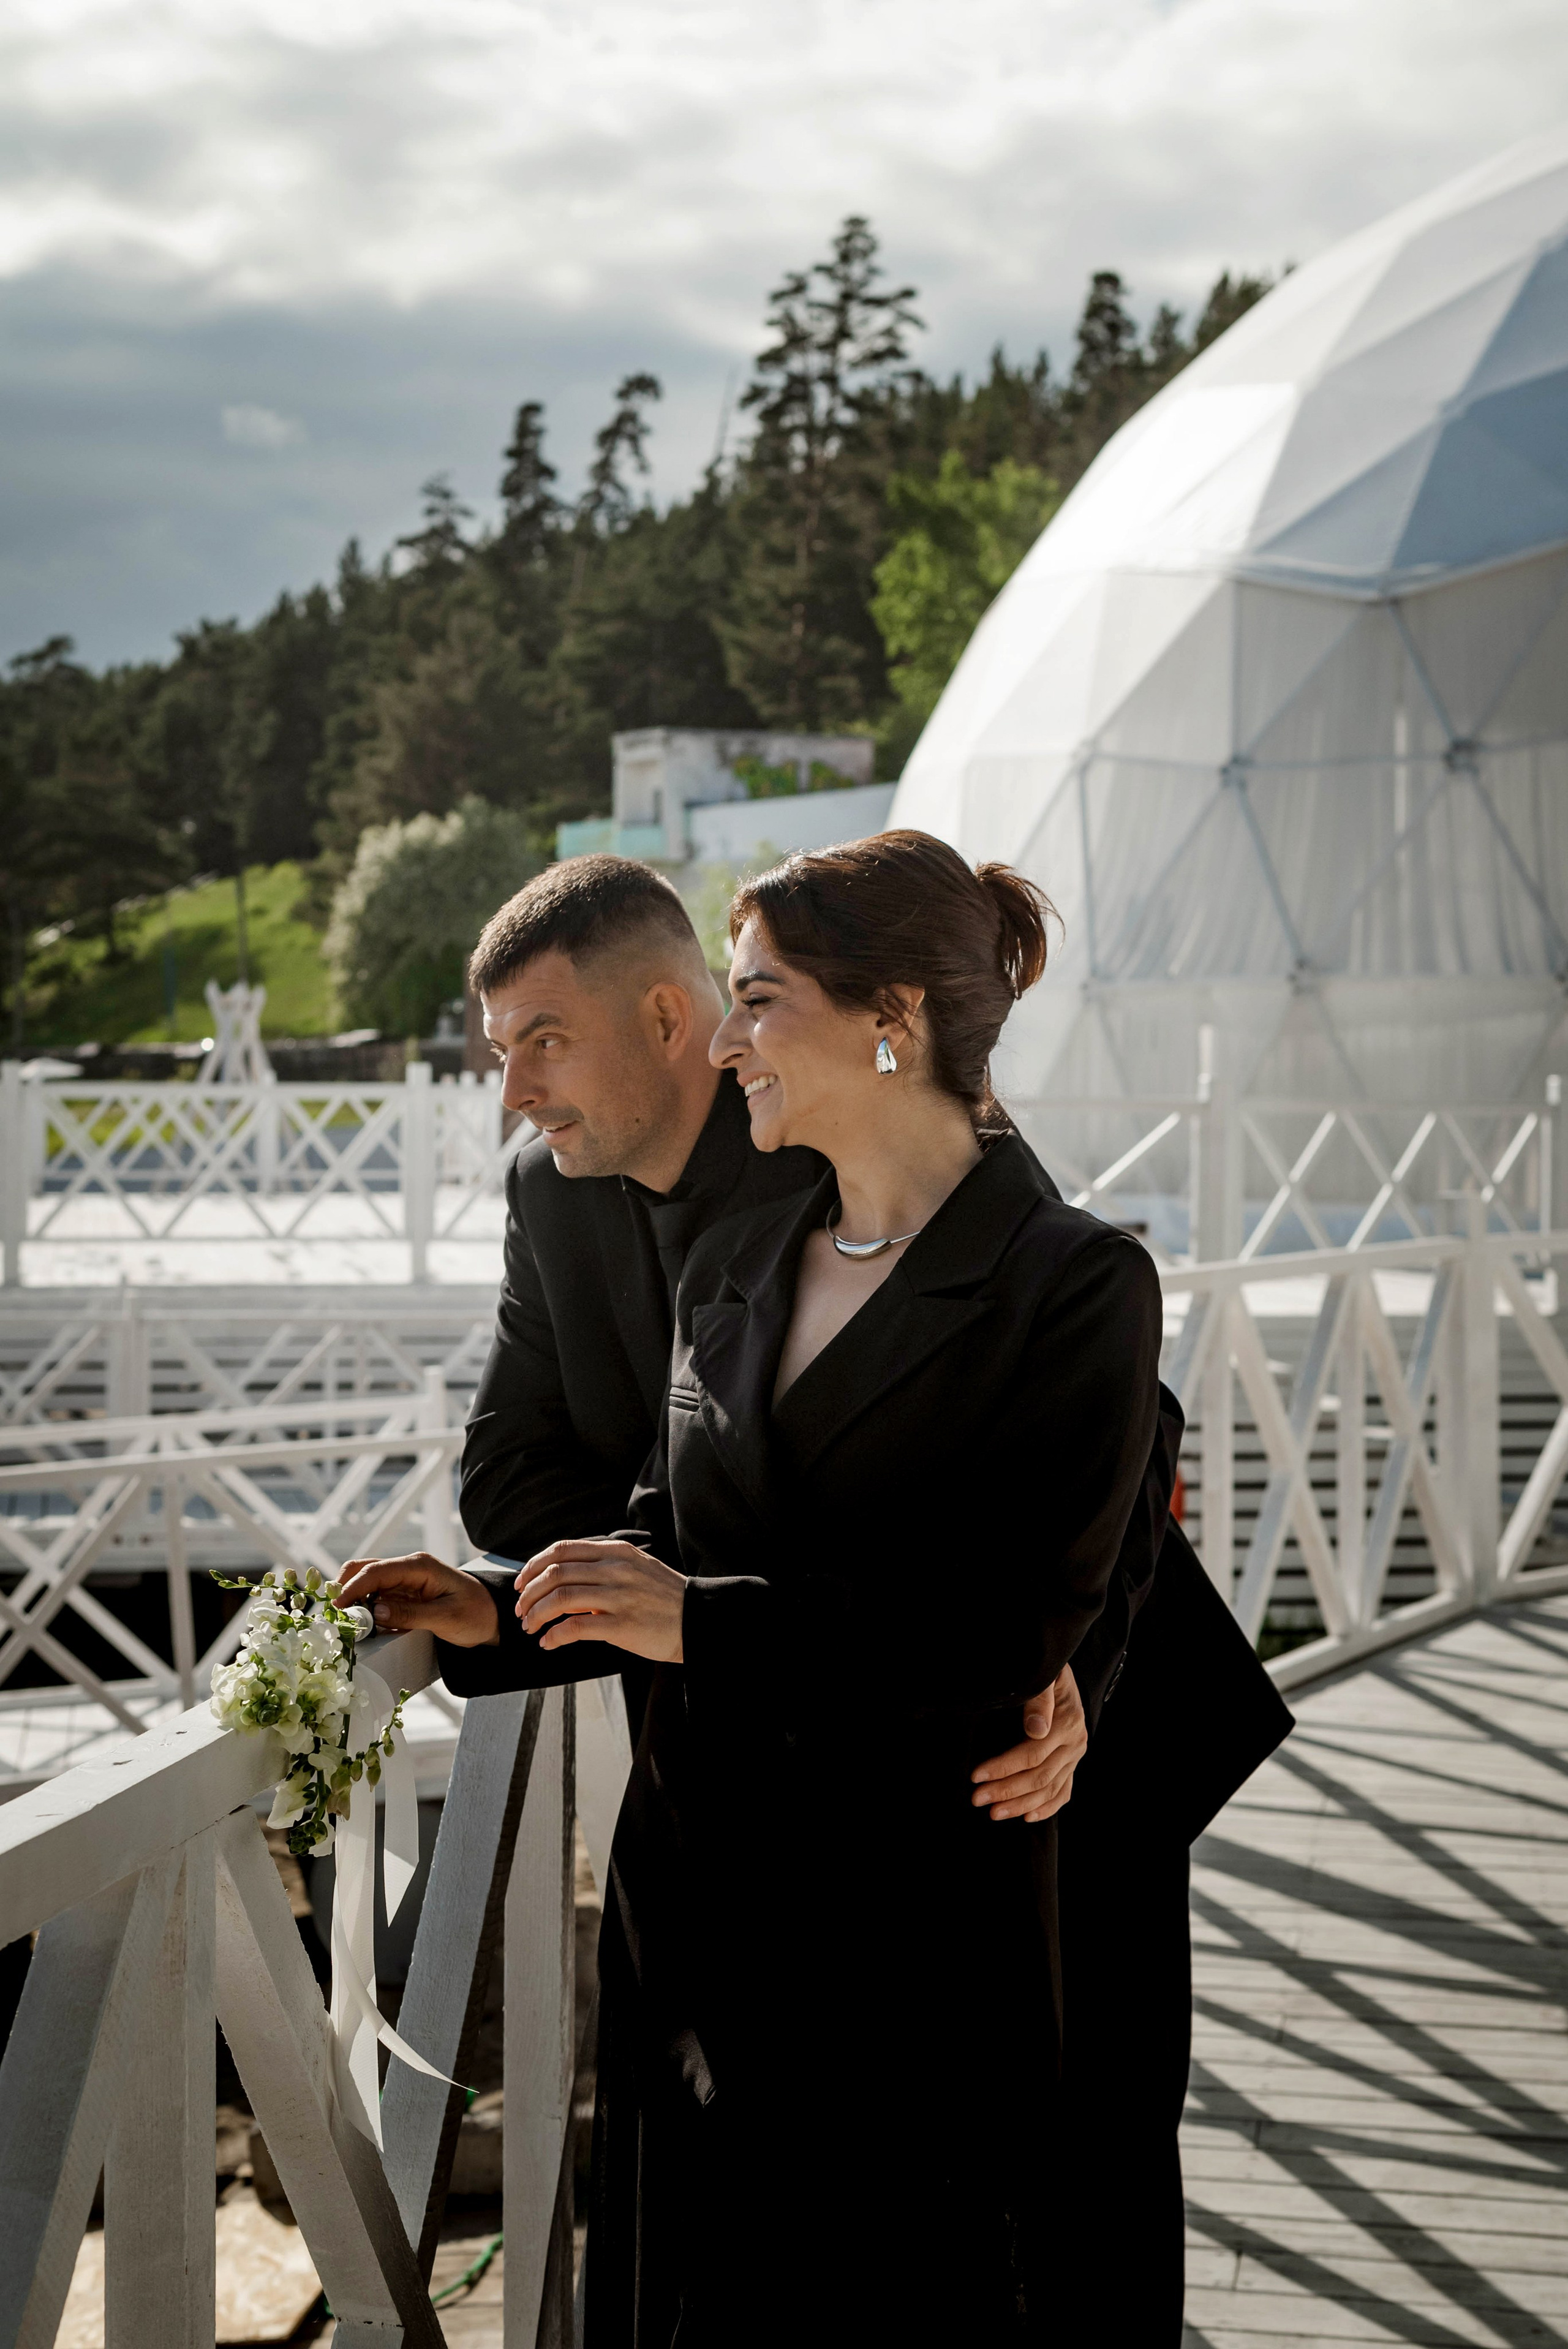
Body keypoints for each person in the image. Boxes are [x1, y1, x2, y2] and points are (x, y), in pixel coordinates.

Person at [343, 834, 1290, 2342]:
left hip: (1037, 1760)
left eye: (540, 1041)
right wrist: (580, 1592)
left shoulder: (910, 1144)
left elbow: (1107, 1455)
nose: (512, 1090)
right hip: (765, 1771)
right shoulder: (577, 1199)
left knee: (1066, 2193)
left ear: (672, 1020)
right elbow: (517, 1475)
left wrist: (1063, 1682)